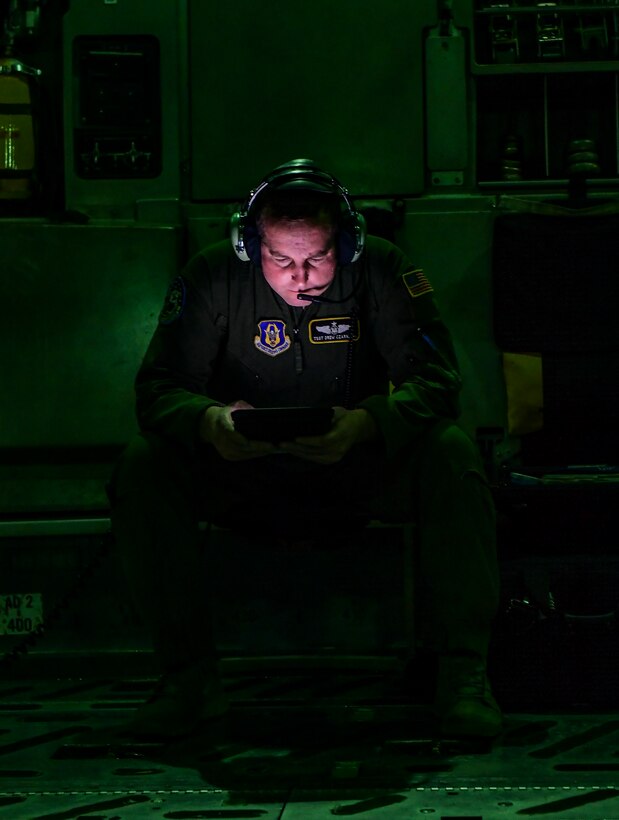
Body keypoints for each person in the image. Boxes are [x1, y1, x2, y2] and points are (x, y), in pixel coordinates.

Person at [109, 158, 501, 740]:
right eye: (282, 260)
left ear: (345, 241)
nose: (302, 277)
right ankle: (188, 681)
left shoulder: (384, 268)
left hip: (355, 470)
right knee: (143, 463)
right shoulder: (211, 274)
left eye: (317, 258)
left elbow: (438, 380)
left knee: (451, 452)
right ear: (250, 247)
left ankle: (462, 675)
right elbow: (158, 388)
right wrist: (209, 422)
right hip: (242, 474)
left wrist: (369, 424)